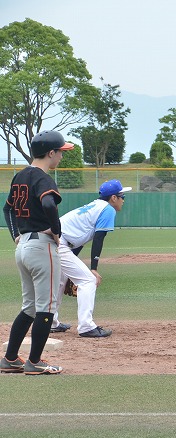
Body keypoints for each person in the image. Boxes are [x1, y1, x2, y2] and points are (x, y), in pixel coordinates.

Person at [0, 131, 73, 375]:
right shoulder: (43, 178)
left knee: (30, 307)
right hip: (42, 247)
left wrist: (15, 235)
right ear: (50, 153)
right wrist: (57, 231)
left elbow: (7, 209)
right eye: (60, 152)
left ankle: (10, 359)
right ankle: (35, 362)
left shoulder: (20, 176)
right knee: (46, 307)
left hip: (23, 248)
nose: (62, 156)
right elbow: (49, 204)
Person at [50, 179, 132, 338]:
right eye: (122, 196)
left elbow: (78, 240)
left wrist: (72, 266)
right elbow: (99, 238)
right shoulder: (108, 209)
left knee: (60, 281)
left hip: (55, 241)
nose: (123, 199)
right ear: (113, 198)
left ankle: (51, 323)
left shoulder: (95, 206)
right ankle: (86, 326)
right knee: (88, 280)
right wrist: (93, 269)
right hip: (59, 242)